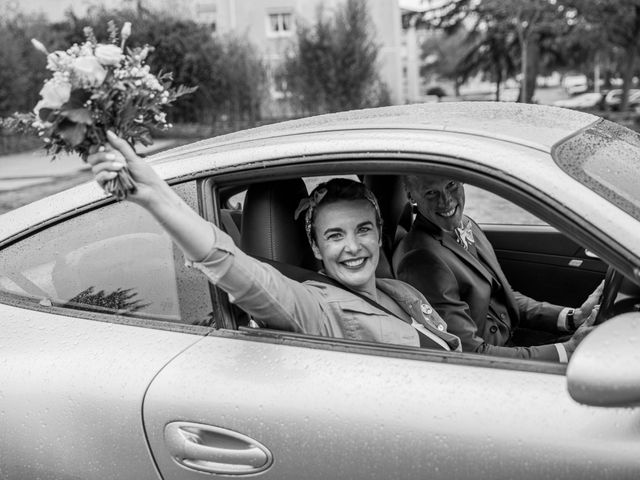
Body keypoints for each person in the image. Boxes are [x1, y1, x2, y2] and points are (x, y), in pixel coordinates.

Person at [87, 132, 461, 352]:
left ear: (380, 234)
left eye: (363, 230)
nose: (352, 246)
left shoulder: (400, 291)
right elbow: (243, 274)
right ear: (315, 248)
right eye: (334, 235)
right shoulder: (319, 307)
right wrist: (156, 197)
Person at [394, 175, 602, 362]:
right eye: (431, 193)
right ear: (411, 196)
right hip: (496, 365)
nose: (446, 200)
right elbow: (469, 352)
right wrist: (567, 350)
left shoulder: (466, 224)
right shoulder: (421, 261)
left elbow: (504, 296)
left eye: (451, 185)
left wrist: (573, 317)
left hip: (513, 340)